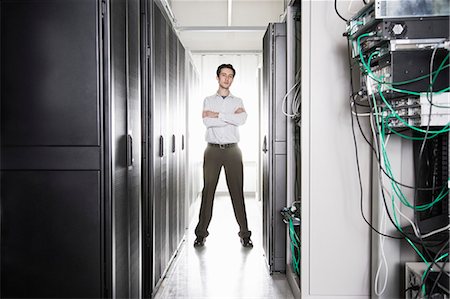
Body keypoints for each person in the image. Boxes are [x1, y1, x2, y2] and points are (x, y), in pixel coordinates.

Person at [194, 63, 253, 248]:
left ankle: (245, 235)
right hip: (212, 151)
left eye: (230, 76)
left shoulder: (238, 101)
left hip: (233, 151)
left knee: (237, 193)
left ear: (232, 79)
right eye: (223, 75)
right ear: (217, 77)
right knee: (208, 192)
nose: (226, 79)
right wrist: (228, 117)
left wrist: (218, 115)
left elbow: (242, 120)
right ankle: (201, 235)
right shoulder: (208, 100)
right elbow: (206, 121)